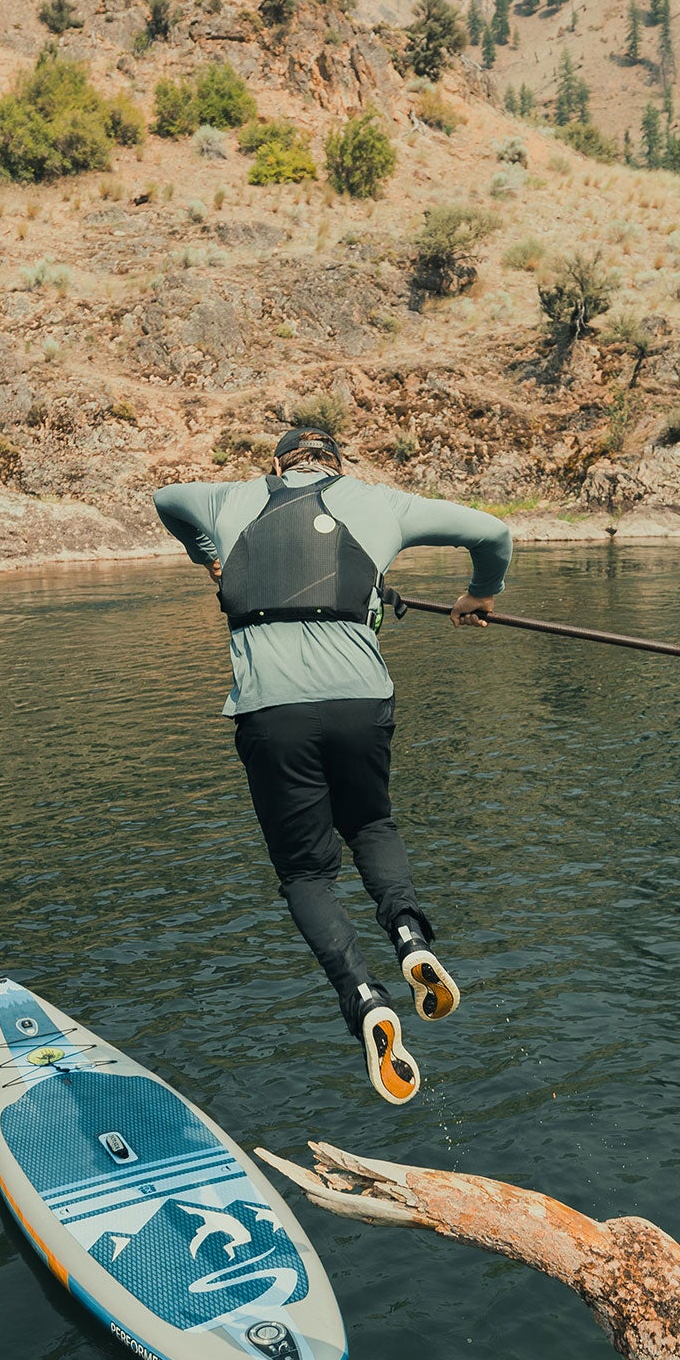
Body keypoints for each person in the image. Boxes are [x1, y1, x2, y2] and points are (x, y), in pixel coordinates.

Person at [154, 424, 512, 1105]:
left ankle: (365, 997)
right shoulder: (380, 503)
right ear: (336, 464)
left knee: (305, 871)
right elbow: (492, 531)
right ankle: (409, 936)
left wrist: (211, 559)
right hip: (361, 704)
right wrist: (480, 595)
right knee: (372, 826)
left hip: (273, 714)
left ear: (279, 463)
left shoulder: (228, 498)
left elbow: (166, 497)